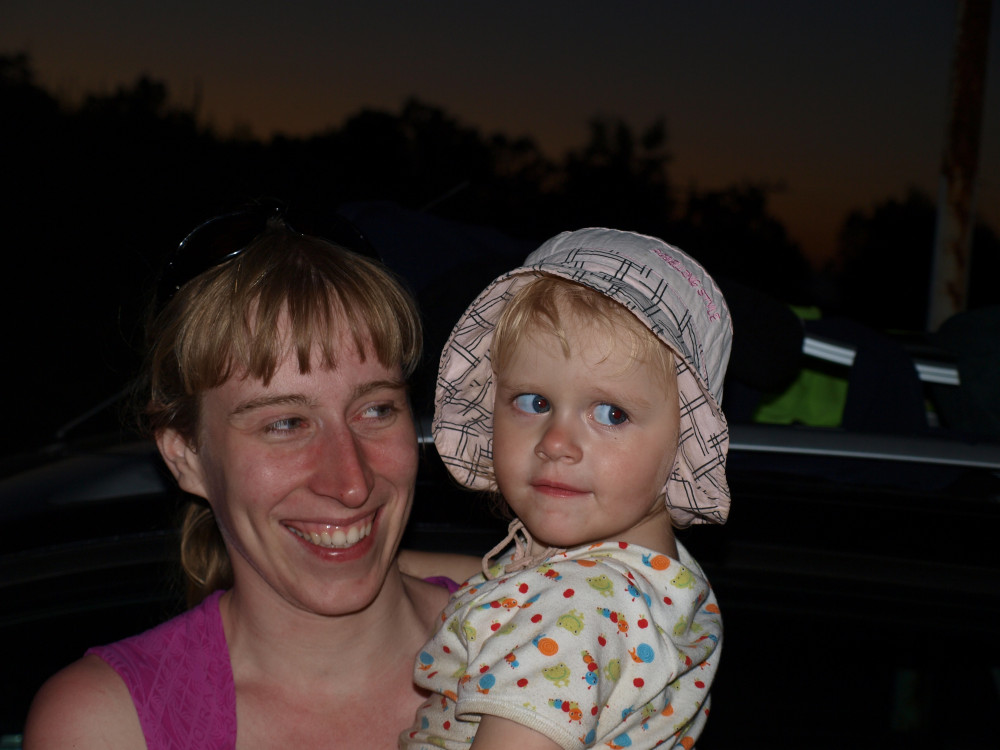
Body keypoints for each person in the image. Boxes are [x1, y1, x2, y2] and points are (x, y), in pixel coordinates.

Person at [24, 204, 479, 749]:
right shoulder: (108, 727)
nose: (351, 483)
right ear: (186, 456)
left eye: (376, 410)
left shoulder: (540, 636)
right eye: (285, 424)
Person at [402, 228, 732, 749]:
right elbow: (513, 578)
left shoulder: (574, 609)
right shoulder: (653, 576)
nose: (556, 442)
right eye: (534, 402)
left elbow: (557, 600)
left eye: (611, 414)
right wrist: (393, 564)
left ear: (684, 444)